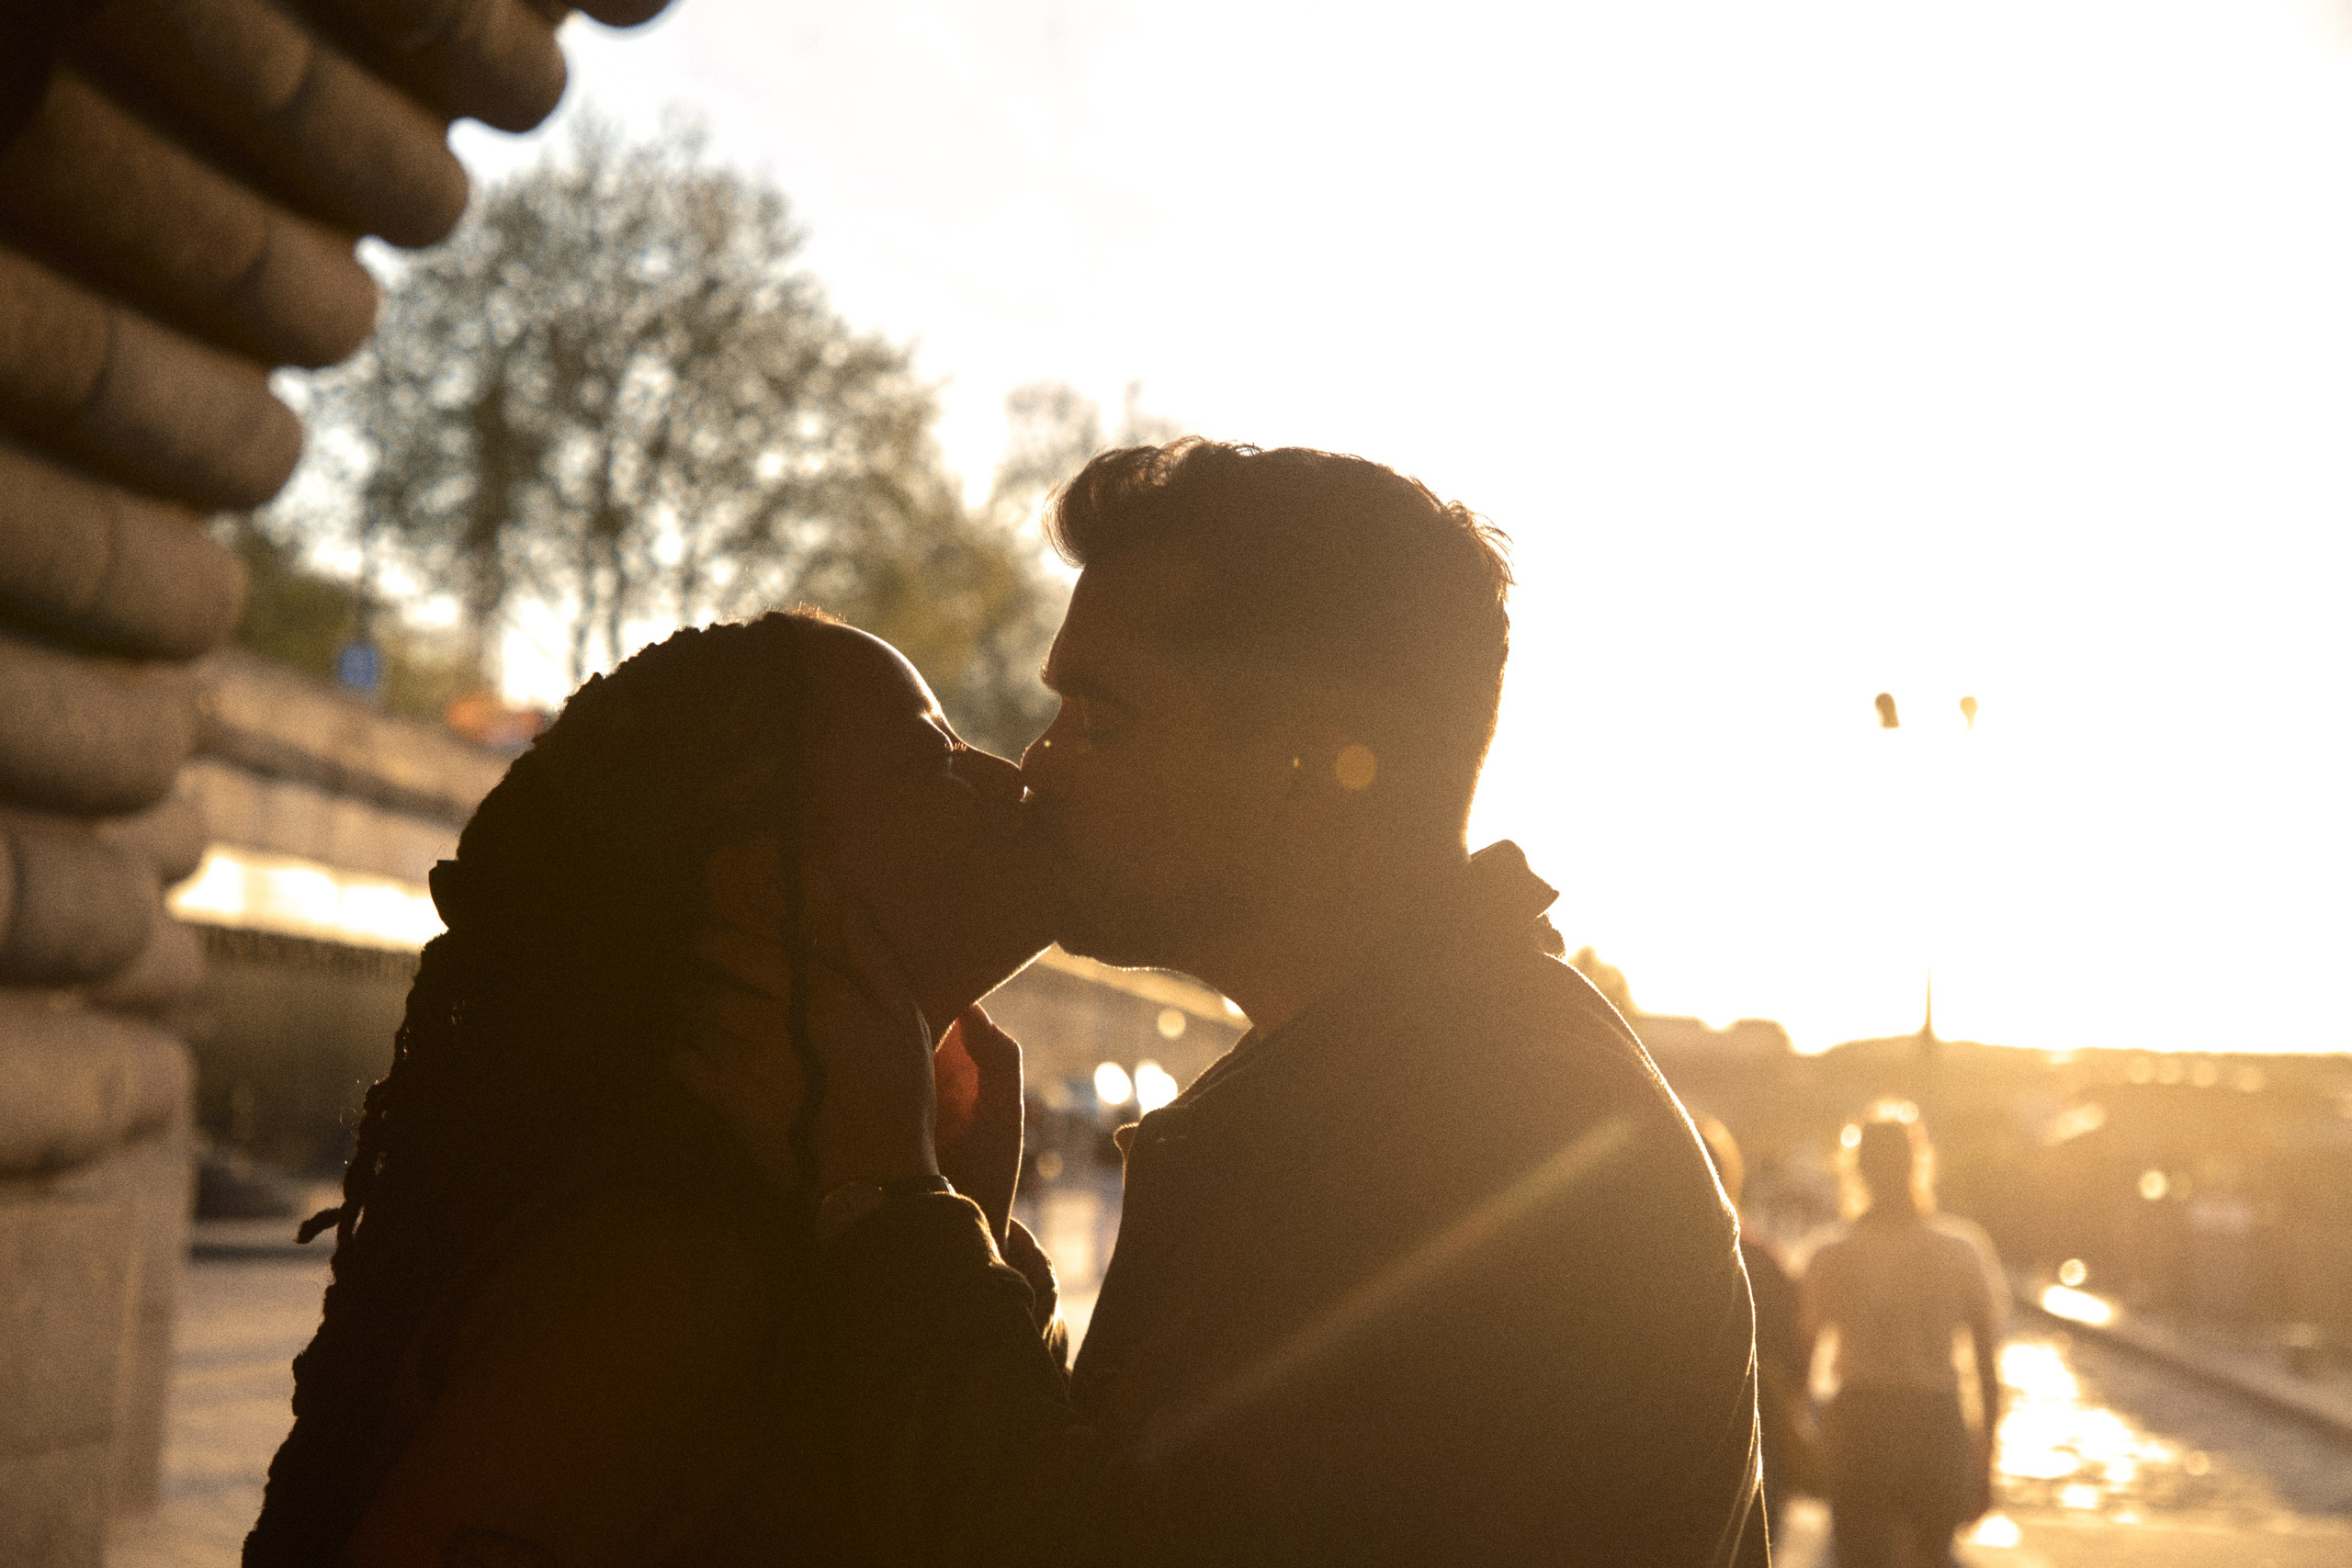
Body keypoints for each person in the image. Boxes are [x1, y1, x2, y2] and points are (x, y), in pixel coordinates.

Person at [786, 440, 1770, 1566]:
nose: (1038, 763)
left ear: (1311, 770)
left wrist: (895, 1203)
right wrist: (965, 1226)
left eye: (1102, 721)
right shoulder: (1413, 1073)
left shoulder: (1474, 1136)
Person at [242, 610, 1061, 1568]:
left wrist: (951, 1209)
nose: (1017, 777)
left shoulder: (785, 1215)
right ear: (762, 890)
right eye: (935, 755)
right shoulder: (664, 1273)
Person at [1802, 1110, 2007, 1568]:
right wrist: (1985, 1464)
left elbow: (1806, 1361)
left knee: (1857, 1557)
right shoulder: (1961, 1250)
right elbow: (1988, 1371)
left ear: (1856, 1170)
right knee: (1931, 1556)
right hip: (1934, 1421)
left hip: (1859, 1420)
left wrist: (1806, 1445)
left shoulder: (1831, 1253)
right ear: (1919, 1164)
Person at [1695, 1116, 1822, 1531]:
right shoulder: (1764, 1260)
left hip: (1679, 1441)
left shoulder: (1646, 1268)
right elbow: (1800, 1358)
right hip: (1758, 1435)